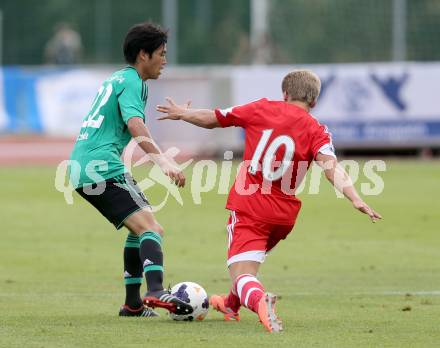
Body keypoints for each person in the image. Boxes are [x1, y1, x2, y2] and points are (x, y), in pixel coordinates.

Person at [156, 70, 382, 332]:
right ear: (314, 102)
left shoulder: (261, 108)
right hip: (283, 215)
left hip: (251, 206)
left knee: (243, 274)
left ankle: (260, 300)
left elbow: (215, 118)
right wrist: (355, 198)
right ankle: (230, 305)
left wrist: (184, 114)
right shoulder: (317, 129)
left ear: (285, 94)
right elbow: (331, 167)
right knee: (248, 262)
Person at [69, 22, 193, 317]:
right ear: (143, 55)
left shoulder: (118, 78)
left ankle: (133, 304)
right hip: (101, 167)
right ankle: (155, 291)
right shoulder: (134, 82)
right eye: (161, 54)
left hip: (88, 165)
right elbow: (134, 123)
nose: (165, 60)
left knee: (138, 231)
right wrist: (162, 160)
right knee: (152, 229)